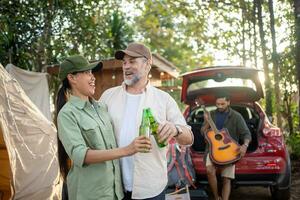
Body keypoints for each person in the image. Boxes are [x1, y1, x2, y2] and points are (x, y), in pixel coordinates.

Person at [100, 42, 194, 200]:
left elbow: (189, 138)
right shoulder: (108, 96)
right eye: (124, 62)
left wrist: (176, 130)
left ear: (147, 65)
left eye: (132, 61)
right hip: (113, 187)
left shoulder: (163, 99)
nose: (126, 67)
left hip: (150, 188)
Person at [55, 55, 151, 200]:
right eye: (87, 72)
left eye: (92, 72)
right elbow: (80, 155)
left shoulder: (101, 107)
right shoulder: (67, 114)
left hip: (115, 192)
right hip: (91, 194)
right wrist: (127, 150)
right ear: (72, 78)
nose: (92, 77)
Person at [201, 93, 252, 200]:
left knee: (226, 179)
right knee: (210, 171)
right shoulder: (211, 114)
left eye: (222, 104)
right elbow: (202, 132)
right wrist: (206, 122)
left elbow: (246, 133)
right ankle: (216, 197)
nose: (219, 106)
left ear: (228, 102)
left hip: (229, 149)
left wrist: (245, 145)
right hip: (212, 149)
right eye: (217, 104)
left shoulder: (236, 116)